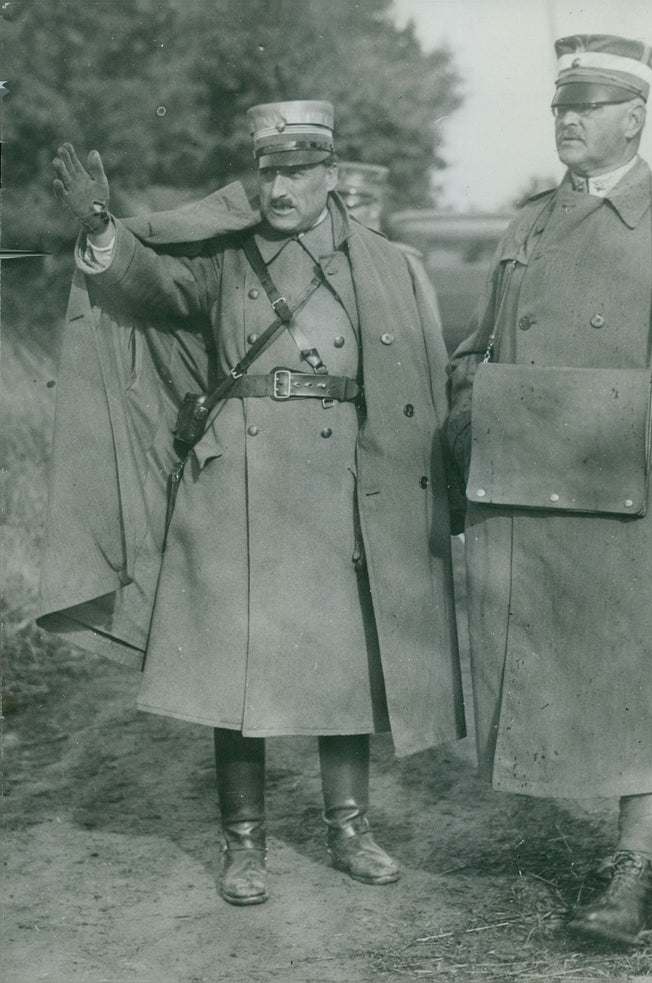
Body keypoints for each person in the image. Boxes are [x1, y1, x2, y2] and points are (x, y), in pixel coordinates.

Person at [40, 100, 465, 906]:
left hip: (342, 481)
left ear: (330, 176)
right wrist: (104, 228)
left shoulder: (382, 262)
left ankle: (350, 830)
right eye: (270, 170)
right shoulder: (228, 258)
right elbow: (152, 288)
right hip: (238, 477)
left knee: (345, 658)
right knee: (239, 669)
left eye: (299, 171)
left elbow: (419, 382)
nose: (281, 187)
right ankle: (245, 846)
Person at [446, 35, 652, 945]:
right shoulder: (527, 226)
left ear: (635, 115)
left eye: (588, 105)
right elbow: (476, 350)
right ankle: (631, 840)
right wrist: (476, 420)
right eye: (560, 105)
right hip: (534, 486)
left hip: (645, 488)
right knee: (568, 669)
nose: (569, 120)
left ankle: (633, 864)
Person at [337, 159, 443, 326]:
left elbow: (431, 330)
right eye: (337, 207)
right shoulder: (331, 257)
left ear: (375, 207)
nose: (342, 215)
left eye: (350, 207)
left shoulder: (403, 261)